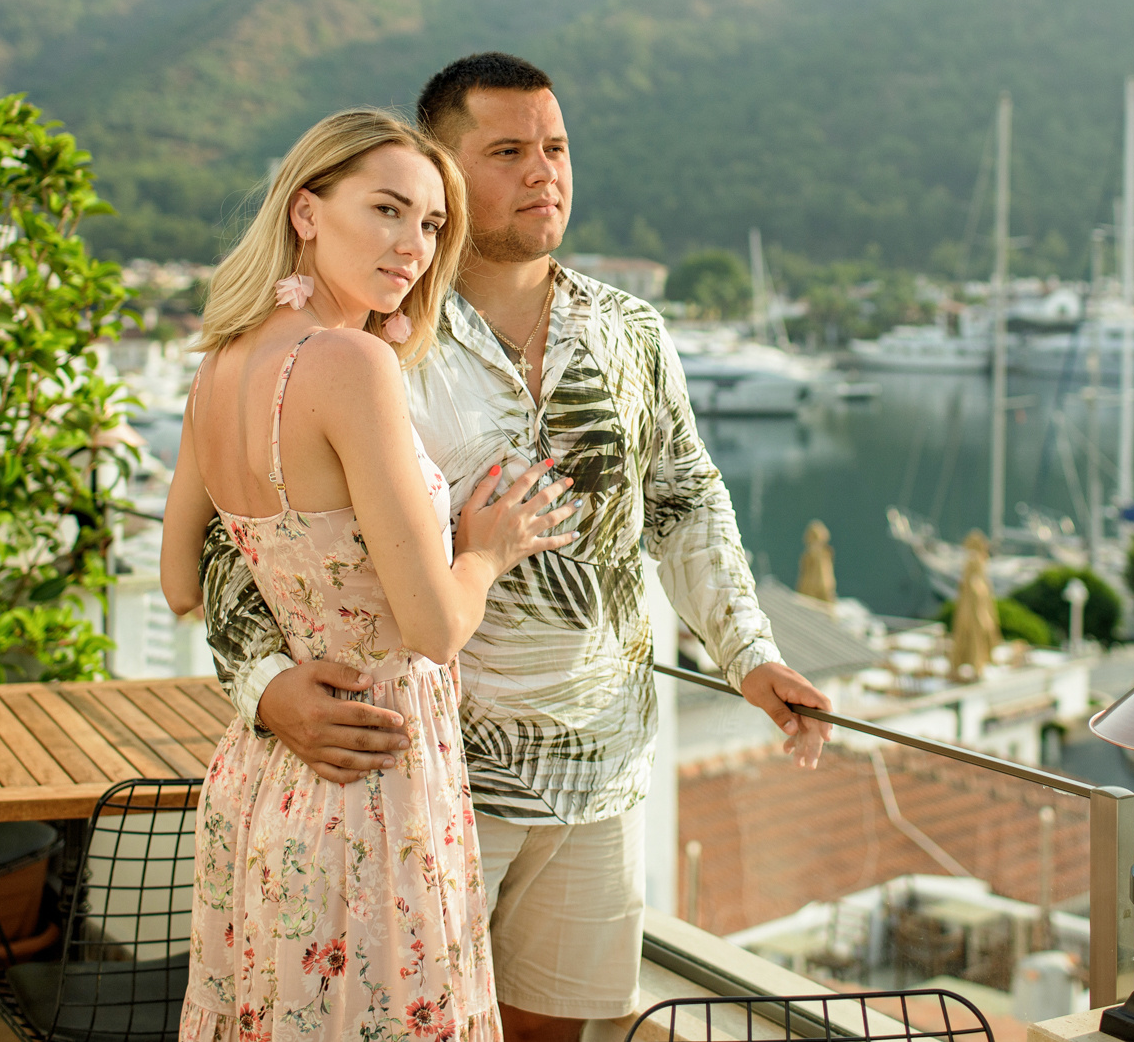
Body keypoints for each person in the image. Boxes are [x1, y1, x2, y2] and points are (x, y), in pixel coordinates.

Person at [201, 54, 834, 1035]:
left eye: (556, 147)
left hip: (601, 770)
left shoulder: (630, 330)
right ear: (439, 173)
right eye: (507, 152)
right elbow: (237, 536)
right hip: (422, 773)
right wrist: (264, 685)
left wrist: (749, 655)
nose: (544, 173)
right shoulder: (372, 332)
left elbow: (682, 499)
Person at [162, 108, 577, 1042]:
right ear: (306, 211)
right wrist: (486, 548)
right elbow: (434, 627)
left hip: (265, 778)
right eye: (388, 210)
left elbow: (181, 581)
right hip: (376, 776)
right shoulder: (351, 362)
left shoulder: (221, 363)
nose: (414, 247)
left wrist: (278, 668)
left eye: (432, 225)